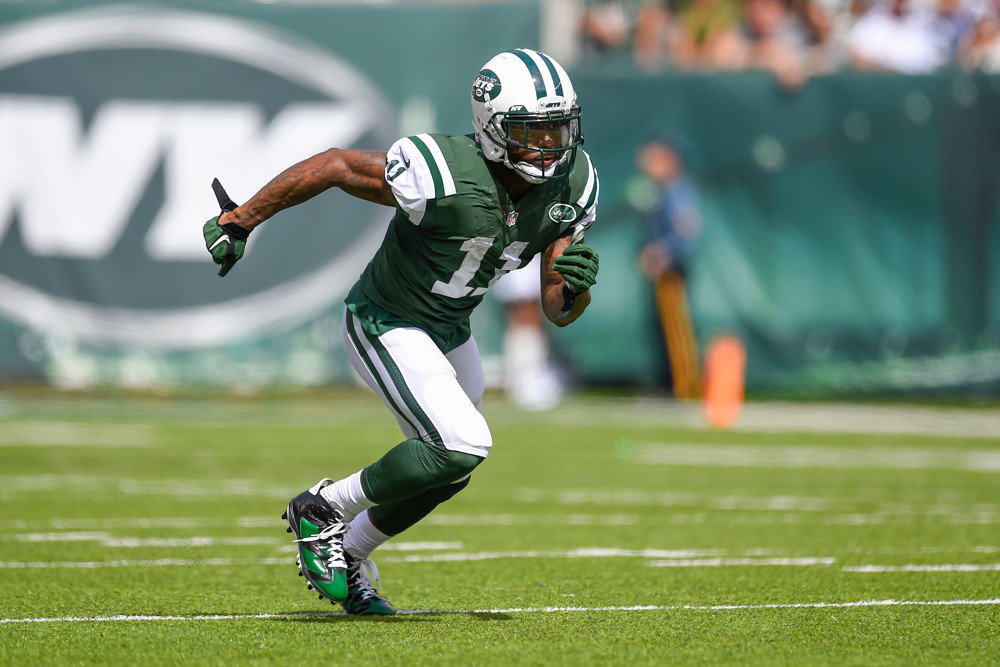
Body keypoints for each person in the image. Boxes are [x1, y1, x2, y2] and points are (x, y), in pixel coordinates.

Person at [201, 49, 600, 616]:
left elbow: (558, 307)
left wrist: (577, 287)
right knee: (460, 442)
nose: (550, 146)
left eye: (559, 129)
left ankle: (354, 551)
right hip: (387, 319)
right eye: (533, 132)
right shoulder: (442, 169)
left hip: (450, 329)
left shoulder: (573, 185)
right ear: (493, 129)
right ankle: (323, 507)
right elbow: (338, 165)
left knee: (453, 466)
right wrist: (241, 219)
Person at [635, 136, 702, 400]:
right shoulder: (663, 190)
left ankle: (684, 385)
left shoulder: (677, 190)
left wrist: (664, 253)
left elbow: (688, 231)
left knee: (677, 329)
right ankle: (672, 382)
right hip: (664, 273)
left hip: (672, 273)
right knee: (665, 328)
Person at [493, 255, 567, 411]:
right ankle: (526, 381)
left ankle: (525, 379)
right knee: (526, 315)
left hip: (526, 256)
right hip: (520, 254)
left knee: (529, 318)